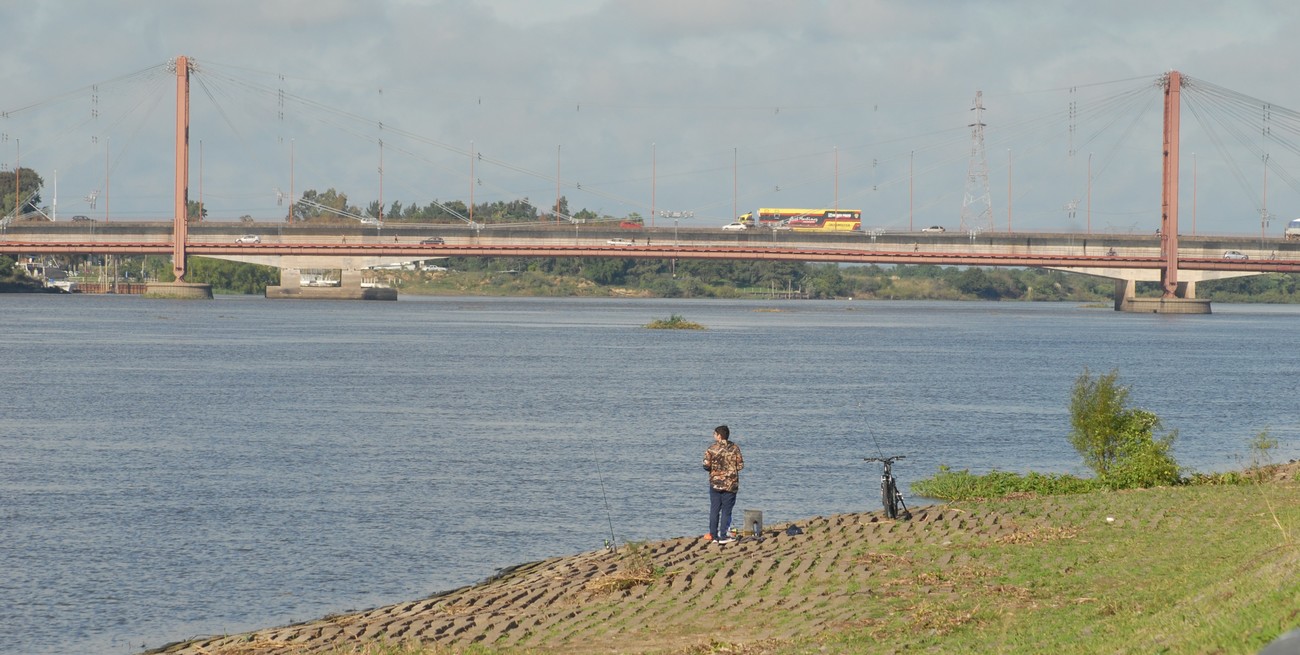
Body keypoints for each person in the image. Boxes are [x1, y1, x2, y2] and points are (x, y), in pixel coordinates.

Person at [702, 425, 744, 544]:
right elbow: (740, 466)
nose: (713, 436)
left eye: (714, 434)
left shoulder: (711, 448)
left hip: (715, 484)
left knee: (714, 510)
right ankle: (724, 535)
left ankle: (713, 535)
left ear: (719, 436)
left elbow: (705, 465)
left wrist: (715, 470)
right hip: (730, 484)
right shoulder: (735, 448)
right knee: (726, 510)